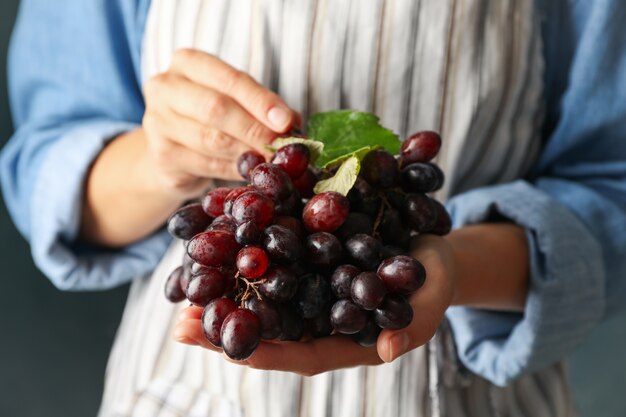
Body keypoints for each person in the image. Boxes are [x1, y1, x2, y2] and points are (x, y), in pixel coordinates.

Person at [2, 0, 626, 416]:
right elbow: (47, 174)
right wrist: (158, 161)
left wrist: (456, 267)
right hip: (189, 390)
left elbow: (611, 192)